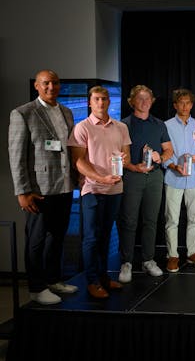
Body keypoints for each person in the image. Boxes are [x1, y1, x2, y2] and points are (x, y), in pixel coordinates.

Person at [8, 69, 78, 304]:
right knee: (36, 240)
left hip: (65, 186)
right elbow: (16, 156)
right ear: (37, 86)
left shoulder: (67, 112)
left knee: (57, 237)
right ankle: (36, 288)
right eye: (46, 83)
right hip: (39, 189)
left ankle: (53, 280)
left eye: (55, 83)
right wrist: (22, 192)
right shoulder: (23, 113)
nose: (51, 87)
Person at [68, 86, 131, 298]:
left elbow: (127, 157)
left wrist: (124, 160)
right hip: (92, 189)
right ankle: (92, 281)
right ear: (89, 102)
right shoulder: (82, 127)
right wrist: (100, 178)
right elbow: (79, 162)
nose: (101, 103)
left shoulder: (121, 127)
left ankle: (104, 277)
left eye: (104, 99)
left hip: (115, 189)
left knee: (105, 236)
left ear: (108, 101)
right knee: (91, 237)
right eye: (96, 99)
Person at [118, 85, 174, 282]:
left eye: (147, 98)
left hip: (155, 177)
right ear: (132, 101)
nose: (144, 102)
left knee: (151, 220)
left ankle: (148, 260)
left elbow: (169, 150)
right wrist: (134, 167)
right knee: (129, 220)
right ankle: (126, 262)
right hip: (132, 176)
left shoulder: (159, 124)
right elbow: (119, 156)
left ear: (152, 101)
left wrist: (160, 156)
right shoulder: (123, 125)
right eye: (140, 98)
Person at [162, 88, 195, 273]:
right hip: (174, 178)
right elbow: (164, 152)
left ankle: (193, 252)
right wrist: (174, 166)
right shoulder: (166, 126)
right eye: (181, 102)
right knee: (172, 219)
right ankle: (172, 255)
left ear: (192, 105)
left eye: (188, 102)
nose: (184, 106)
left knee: (194, 218)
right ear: (175, 105)